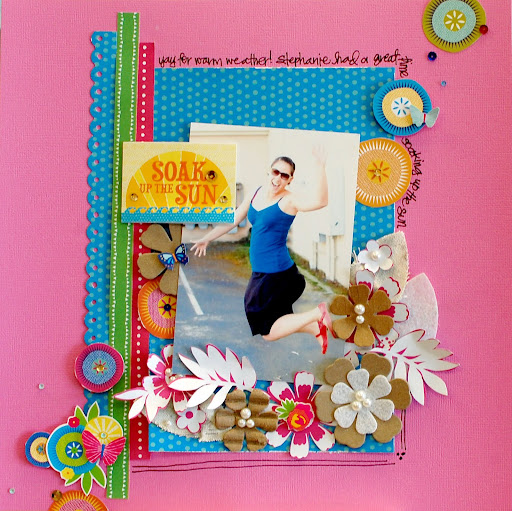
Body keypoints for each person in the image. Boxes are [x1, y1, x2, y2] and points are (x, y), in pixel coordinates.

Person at [191, 147, 336, 353]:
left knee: (266, 329)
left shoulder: (289, 200)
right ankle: (314, 328)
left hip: (277, 275)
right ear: (269, 171)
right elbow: (234, 219)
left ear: (290, 180)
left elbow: (321, 201)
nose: (278, 178)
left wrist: (321, 166)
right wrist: (207, 238)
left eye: (284, 175)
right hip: (263, 272)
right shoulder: (256, 192)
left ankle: (316, 314)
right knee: (277, 319)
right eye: (276, 172)